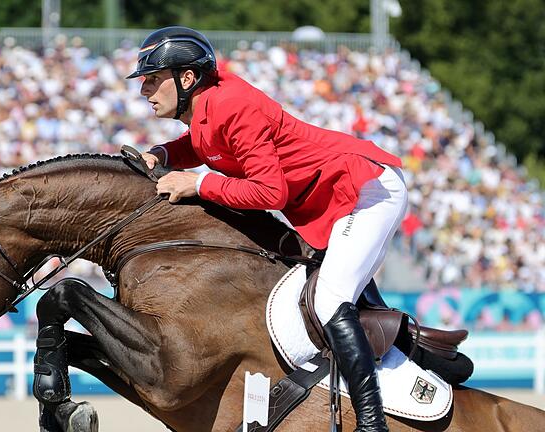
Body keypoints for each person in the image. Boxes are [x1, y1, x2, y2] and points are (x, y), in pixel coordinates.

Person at [129, 26, 407, 432]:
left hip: (366, 189)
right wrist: (163, 153)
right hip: (333, 198)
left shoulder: (231, 104)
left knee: (330, 301)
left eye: (153, 80)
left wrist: (199, 183)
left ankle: (371, 424)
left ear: (187, 79)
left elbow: (270, 193)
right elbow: (202, 145)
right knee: (335, 294)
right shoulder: (209, 106)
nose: (144, 92)